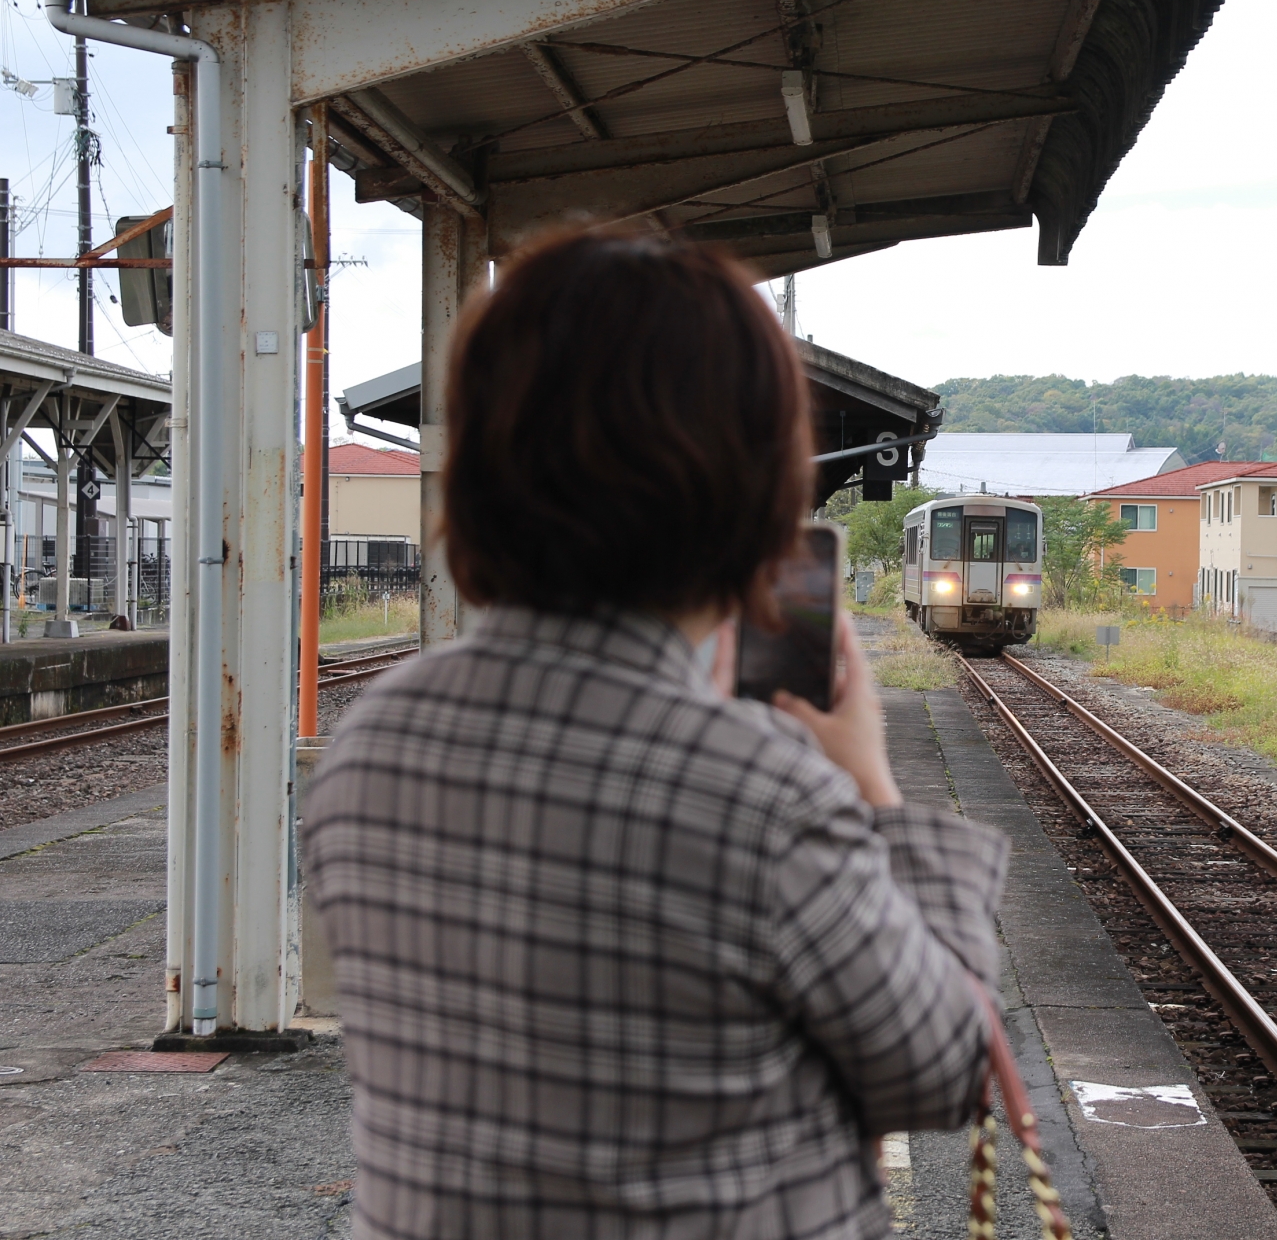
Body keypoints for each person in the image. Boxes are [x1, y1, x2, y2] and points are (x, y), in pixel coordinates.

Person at [301, 231, 1009, 1239]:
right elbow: (947, 1067)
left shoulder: (372, 744)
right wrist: (871, 785)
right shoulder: (760, 798)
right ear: (750, 497)